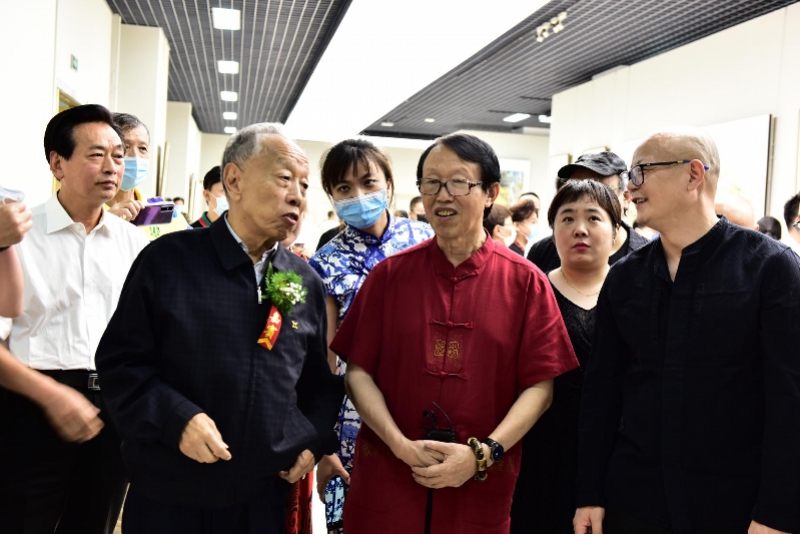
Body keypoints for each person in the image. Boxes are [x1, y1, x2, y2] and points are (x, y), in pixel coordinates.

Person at [95, 122, 342, 534]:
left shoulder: (304, 281)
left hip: (263, 501)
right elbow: (121, 365)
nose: (298, 195)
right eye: (284, 178)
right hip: (171, 494)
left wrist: (312, 442)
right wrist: (176, 419)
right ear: (234, 180)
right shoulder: (169, 261)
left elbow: (318, 385)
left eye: (304, 184)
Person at [329, 133, 578, 534]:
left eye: (458, 182)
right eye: (431, 183)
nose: (442, 196)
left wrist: (483, 454)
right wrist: (399, 445)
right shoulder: (389, 276)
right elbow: (357, 373)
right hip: (389, 476)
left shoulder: (526, 282)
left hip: (480, 481)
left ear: (490, 193)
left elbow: (541, 388)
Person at [574, 129, 800, 534]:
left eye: (641, 172)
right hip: (635, 502)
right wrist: (589, 492)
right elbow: (601, 393)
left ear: (693, 174)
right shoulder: (624, 277)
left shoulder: (770, 268)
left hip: (735, 507)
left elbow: (790, 400)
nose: (630, 187)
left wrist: (777, 512)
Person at [0, 104, 150, 534]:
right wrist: (52, 396)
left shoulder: (134, 245)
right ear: (57, 164)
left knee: (95, 522)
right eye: (96, 154)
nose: (113, 167)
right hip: (30, 406)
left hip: (111, 410)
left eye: (118, 155)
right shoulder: (17, 236)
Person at [308, 138, 434, 533]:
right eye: (344, 188)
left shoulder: (426, 240)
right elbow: (325, 363)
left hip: (425, 403)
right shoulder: (324, 263)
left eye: (368, 182)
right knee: (355, 519)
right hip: (353, 417)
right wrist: (324, 448)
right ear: (331, 195)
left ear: (389, 184)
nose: (359, 196)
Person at [510, 180, 621, 534]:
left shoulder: (632, 293)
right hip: (540, 454)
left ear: (616, 231)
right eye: (568, 218)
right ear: (553, 229)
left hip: (615, 457)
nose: (580, 229)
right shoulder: (531, 292)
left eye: (593, 218)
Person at [528, 151, 649, 273]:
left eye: (601, 191)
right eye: (577, 189)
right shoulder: (543, 253)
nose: (585, 199)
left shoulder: (648, 258)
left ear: (626, 198)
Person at [107, 112, 188, 239]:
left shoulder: (161, 211)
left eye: (142, 148)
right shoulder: (86, 211)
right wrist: (105, 222)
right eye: (125, 147)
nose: (136, 156)